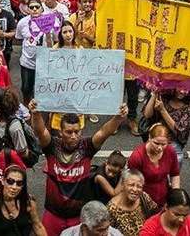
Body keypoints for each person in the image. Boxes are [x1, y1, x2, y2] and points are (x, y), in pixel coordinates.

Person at [29, 98, 127, 236]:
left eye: (77, 131)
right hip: (53, 214)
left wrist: (118, 118)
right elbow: (40, 131)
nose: (74, 136)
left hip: (78, 216)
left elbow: (105, 132)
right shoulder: (52, 146)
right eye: (69, 132)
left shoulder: (87, 146)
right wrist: (36, 113)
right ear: (60, 132)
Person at [0, 164, 44, 236]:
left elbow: (38, 226)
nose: (14, 187)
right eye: (10, 181)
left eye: (19, 183)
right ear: (3, 180)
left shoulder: (28, 202)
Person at [127, 124, 180, 207]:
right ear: (149, 138)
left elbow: (175, 174)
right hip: (143, 202)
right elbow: (132, 184)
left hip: (164, 200)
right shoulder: (137, 157)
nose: (159, 148)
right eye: (156, 143)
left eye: (163, 144)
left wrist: (175, 196)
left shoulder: (170, 151)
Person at [142, 89, 190, 166]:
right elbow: (147, 115)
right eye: (180, 87)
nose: (182, 91)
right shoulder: (163, 98)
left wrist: (162, 110)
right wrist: (154, 94)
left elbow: (179, 130)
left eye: (186, 89)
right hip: (156, 142)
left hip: (175, 146)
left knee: (171, 176)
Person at [106, 169, 159, 235]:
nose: (135, 189)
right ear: (122, 185)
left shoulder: (143, 197)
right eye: (131, 185)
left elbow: (156, 216)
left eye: (139, 186)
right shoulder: (112, 209)